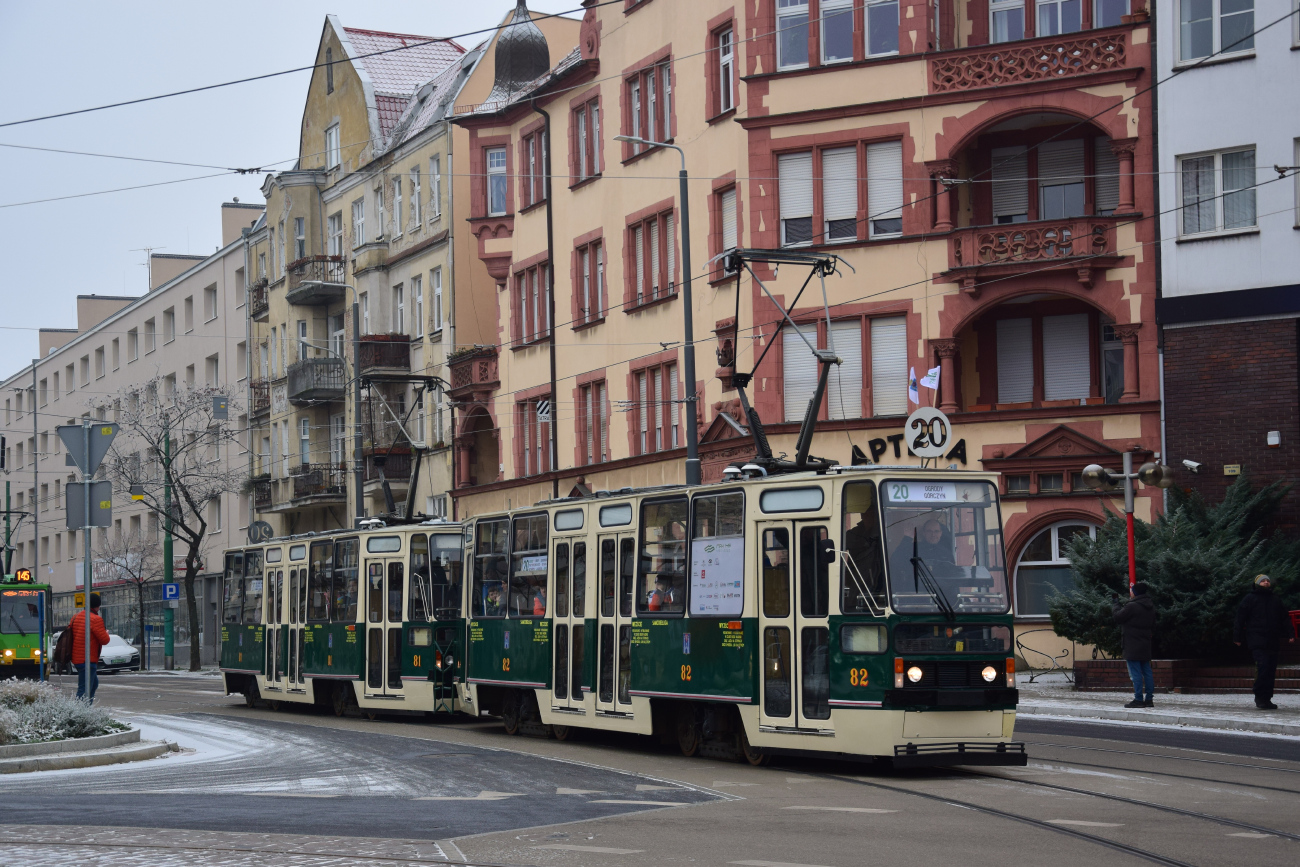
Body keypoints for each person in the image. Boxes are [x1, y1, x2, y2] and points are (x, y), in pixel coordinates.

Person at [1234, 574, 1296, 710]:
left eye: (1267, 581)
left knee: (1271, 669)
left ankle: (1267, 698)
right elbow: (1240, 618)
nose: (1266, 582)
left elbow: (1284, 618)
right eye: (1263, 581)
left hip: (1273, 639)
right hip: (1257, 639)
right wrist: (1237, 637)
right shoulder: (1250, 599)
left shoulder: (1275, 599)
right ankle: (1259, 696)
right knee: (1262, 666)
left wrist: (1291, 633)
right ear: (1257, 583)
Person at [1113, 582, 1157, 709]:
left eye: (1132, 591)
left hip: (1132, 644)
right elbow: (1154, 625)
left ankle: (1138, 699)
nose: (1130, 593)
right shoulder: (1150, 606)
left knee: (1135, 673)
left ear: (1136, 592)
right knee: (1147, 671)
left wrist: (1116, 604)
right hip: (1145, 643)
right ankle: (1149, 699)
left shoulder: (1132, 606)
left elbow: (1118, 617)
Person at [68, 593, 111, 704]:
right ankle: (79, 713)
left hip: (77, 659)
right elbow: (105, 640)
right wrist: (106, 633)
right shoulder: (96, 619)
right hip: (88, 659)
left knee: (93, 684)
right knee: (83, 689)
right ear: (98, 606)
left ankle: (86, 708)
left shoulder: (75, 617)